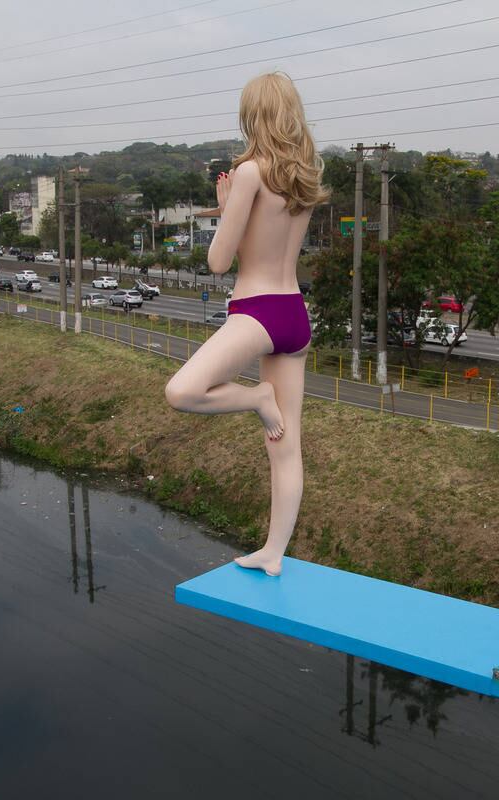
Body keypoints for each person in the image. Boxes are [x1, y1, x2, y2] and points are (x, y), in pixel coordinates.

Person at [164, 72, 328, 577]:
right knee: (286, 445)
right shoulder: (305, 176)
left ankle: (255, 398)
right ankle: (274, 553)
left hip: (256, 311)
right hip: (293, 315)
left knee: (182, 391)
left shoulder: (250, 172)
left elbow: (218, 261)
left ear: (251, 116)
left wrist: (226, 196)